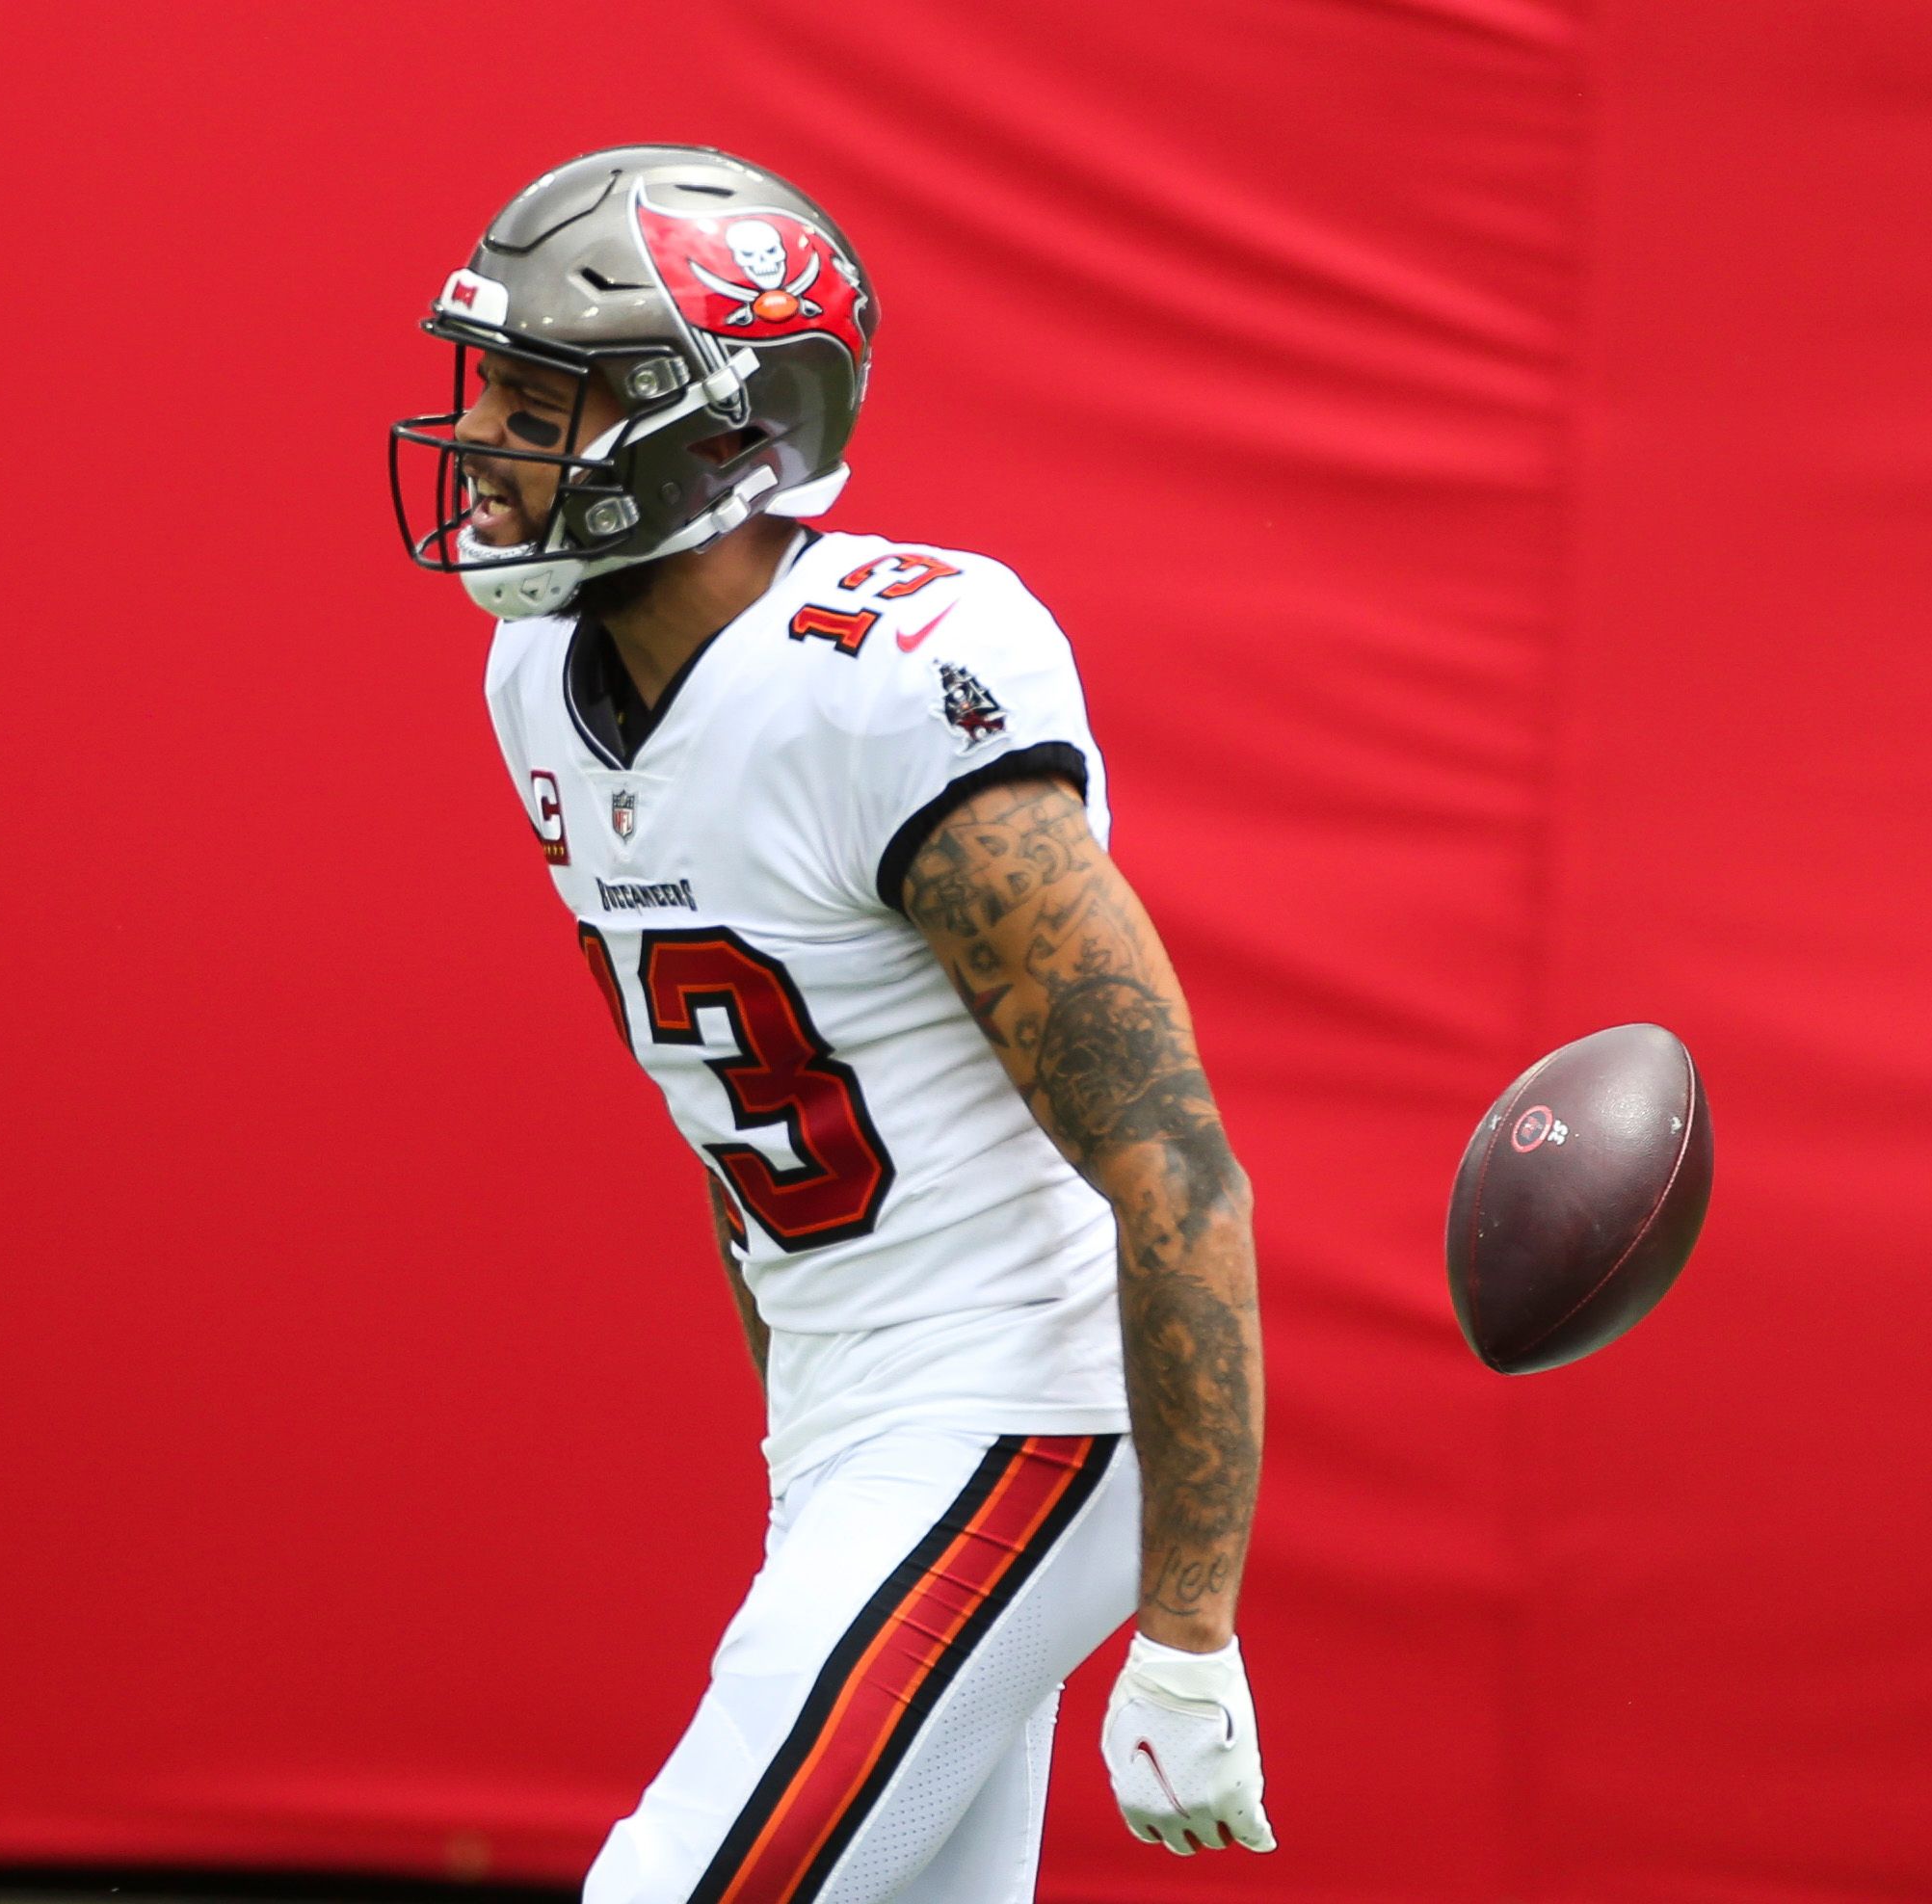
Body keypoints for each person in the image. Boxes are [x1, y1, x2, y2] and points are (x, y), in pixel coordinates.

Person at [389, 145, 1277, 1902]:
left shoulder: (890, 682)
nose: (483, 440)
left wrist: (1189, 1620)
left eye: (539, 398)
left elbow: (1171, 1154)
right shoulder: (538, 686)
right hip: (860, 1411)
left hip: (1027, 1406)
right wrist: (810, 1441)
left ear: (713, 439)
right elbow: (728, 1122)